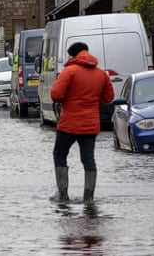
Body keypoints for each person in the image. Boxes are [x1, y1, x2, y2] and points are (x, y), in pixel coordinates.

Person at [50, 42, 114, 203]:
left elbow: (56, 95)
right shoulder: (101, 74)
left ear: (73, 55)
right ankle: (89, 196)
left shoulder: (69, 71)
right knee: (88, 159)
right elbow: (108, 97)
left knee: (59, 154)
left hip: (69, 123)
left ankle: (63, 193)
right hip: (90, 124)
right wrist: (91, 102)